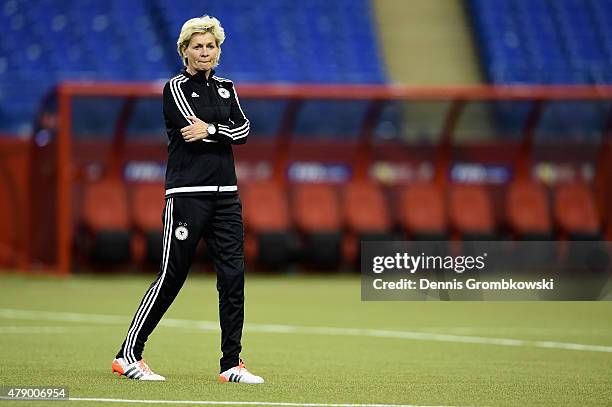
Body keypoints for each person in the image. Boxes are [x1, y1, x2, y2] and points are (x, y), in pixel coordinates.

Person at [111, 15, 264, 384]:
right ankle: (127, 354)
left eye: (210, 46)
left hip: (226, 196)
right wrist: (219, 132)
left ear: (218, 50)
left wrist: (212, 129)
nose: (205, 51)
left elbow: (242, 131)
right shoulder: (174, 87)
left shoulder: (228, 88)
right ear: (185, 51)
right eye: (198, 46)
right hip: (186, 195)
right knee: (173, 274)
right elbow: (188, 129)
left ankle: (231, 364)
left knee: (233, 277)